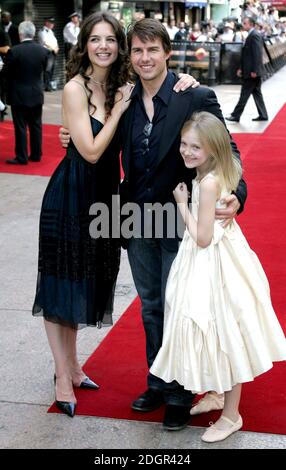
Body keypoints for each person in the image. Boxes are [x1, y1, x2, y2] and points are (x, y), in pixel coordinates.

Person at [60, 18, 246, 430]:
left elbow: (227, 149)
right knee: (151, 307)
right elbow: (96, 137)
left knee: (180, 306)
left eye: (153, 50)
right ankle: (158, 382)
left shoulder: (192, 95)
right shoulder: (122, 100)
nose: (145, 58)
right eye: (138, 51)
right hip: (138, 219)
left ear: (167, 52)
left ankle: (180, 392)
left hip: (181, 220)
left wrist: (238, 195)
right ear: (132, 55)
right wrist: (67, 135)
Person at [150, 111, 286, 442]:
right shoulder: (213, 173)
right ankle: (216, 393)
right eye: (184, 144)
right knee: (212, 326)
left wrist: (182, 203)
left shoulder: (207, 182)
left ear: (212, 149)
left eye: (195, 147)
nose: (186, 151)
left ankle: (231, 415)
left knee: (223, 331)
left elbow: (202, 238)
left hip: (211, 260)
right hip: (214, 257)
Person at [32, 11, 134, 418]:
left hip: (105, 197)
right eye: (96, 39)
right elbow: (90, 151)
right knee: (61, 283)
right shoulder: (76, 88)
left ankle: (75, 367)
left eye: (111, 39)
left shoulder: (121, 86)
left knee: (84, 279)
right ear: (84, 44)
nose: (103, 46)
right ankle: (61, 374)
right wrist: (117, 112)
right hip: (72, 193)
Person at [5, 21, 48, 165]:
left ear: (20, 34)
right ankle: (36, 154)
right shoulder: (43, 51)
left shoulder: (14, 51)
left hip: (19, 94)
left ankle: (22, 157)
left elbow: (6, 73)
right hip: (36, 92)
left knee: (21, 126)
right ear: (34, 33)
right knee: (36, 125)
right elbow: (43, 69)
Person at [225, 16, 268, 123]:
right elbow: (247, 54)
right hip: (250, 70)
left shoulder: (255, 35)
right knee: (257, 93)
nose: (243, 25)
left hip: (252, 72)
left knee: (244, 94)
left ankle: (236, 115)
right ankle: (263, 114)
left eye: (245, 23)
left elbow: (257, 54)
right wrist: (241, 68)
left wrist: (255, 71)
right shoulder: (251, 35)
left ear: (251, 24)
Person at [38, 17, 59, 91]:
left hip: (53, 52)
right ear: (46, 23)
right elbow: (45, 42)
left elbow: (54, 41)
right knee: (47, 70)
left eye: (53, 23)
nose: (53, 24)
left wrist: (56, 47)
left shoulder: (51, 32)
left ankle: (48, 85)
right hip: (47, 52)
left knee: (52, 70)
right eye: (51, 23)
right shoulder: (42, 31)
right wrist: (53, 48)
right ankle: (47, 86)